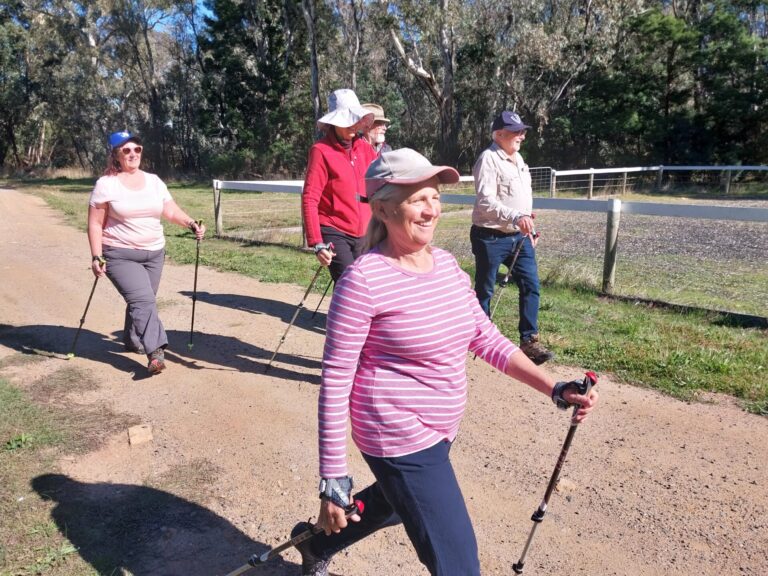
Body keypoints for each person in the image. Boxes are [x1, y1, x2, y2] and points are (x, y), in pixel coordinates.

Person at [290, 148, 599, 576]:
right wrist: (333, 477)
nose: (431, 208)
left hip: (440, 428)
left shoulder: (449, 266)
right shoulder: (363, 280)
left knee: (397, 503)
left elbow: (485, 337)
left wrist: (554, 388)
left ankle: (318, 543)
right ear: (382, 206)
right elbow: (336, 379)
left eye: (434, 197)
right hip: (396, 432)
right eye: (417, 198)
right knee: (458, 563)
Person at [87, 131, 205, 375]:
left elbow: (170, 210)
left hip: (154, 252)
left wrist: (191, 223)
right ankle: (156, 352)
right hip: (119, 253)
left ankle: (132, 340)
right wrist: (96, 256)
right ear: (116, 155)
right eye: (126, 150)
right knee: (143, 300)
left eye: (137, 149)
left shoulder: (153, 181)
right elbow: (95, 223)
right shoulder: (105, 185)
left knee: (142, 300)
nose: (133, 154)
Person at [470, 110, 553, 365]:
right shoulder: (488, 159)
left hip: (519, 237)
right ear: (499, 134)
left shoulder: (519, 159)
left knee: (531, 285)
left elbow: (522, 200)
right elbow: (485, 202)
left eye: (522, 131)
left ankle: (529, 340)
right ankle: (479, 337)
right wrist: (516, 216)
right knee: (485, 288)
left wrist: (528, 225)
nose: (522, 136)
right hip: (489, 237)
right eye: (516, 131)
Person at [302, 89, 377, 283]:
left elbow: (380, 186)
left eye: (355, 119)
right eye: (347, 120)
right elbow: (310, 198)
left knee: (364, 284)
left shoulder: (366, 149)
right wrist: (317, 243)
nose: (353, 125)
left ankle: (338, 314)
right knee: (351, 282)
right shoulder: (321, 151)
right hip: (334, 230)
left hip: (365, 232)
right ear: (334, 122)